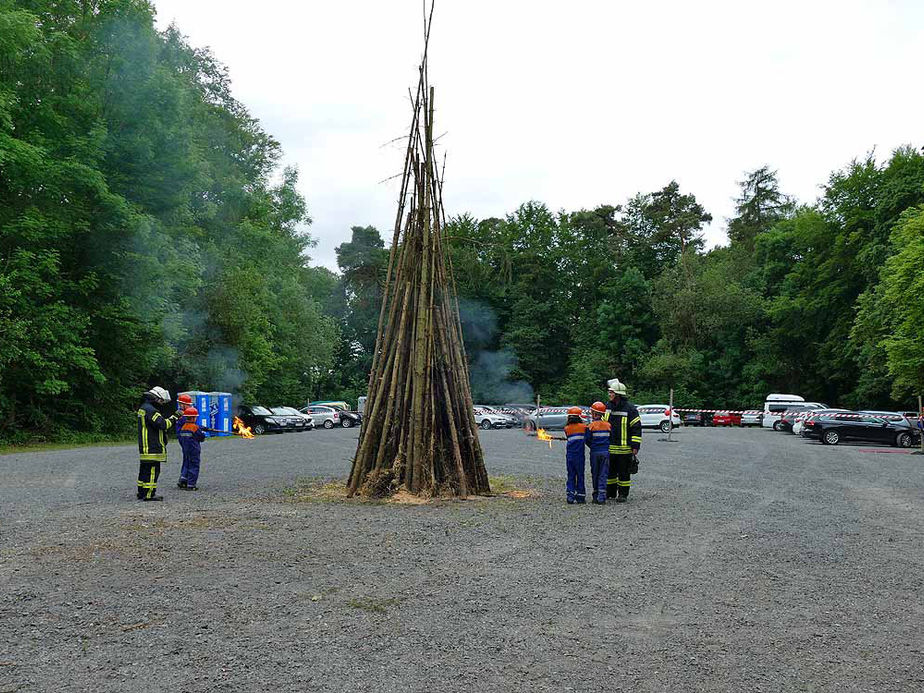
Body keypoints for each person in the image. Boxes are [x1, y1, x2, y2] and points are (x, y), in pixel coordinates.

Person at [137, 386, 181, 501]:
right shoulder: (151, 410)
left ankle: (141, 492)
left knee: (144, 470)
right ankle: (149, 494)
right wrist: (175, 417)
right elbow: (163, 424)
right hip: (152, 446)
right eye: (161, 401)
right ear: (155, 398)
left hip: (145, 445)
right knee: (152, 470)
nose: (161, 403)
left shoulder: (144, 408)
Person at [602, 378, 642, 503]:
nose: (609, 394)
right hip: (610, 447)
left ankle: (623, 494)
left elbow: (636, 428)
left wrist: (635, 446)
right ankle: (611, 492)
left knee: (624, 474)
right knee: (610, 473)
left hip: (625, 449)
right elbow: (602, 424)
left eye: (611, 392)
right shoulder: (607, 407)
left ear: (618, 394)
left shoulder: (630, 409)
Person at [585, 401, 611, 504]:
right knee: (603, 474)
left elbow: (587, 440)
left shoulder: (590, 426)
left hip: (595, 452)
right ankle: (602, 496)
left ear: (594, 413)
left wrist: (593, 447)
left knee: (595, 473)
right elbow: (611, 438)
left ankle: (595, 495)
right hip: (605, 452)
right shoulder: (608, 425)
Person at [177, 406, 206, 491]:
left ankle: (183, 480)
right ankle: (191, 484)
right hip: (194, 450)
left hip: (186, 450)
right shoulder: (194, 427)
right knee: (194, 466)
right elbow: (201, 437)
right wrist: (202, 433)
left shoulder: (183, 427)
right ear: (193, 418)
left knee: (187, 464)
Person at [563, 406, 587, 504]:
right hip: (580, 456)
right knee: (580, 475)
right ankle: (580, 497)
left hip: (570, 456)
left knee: (571, 475)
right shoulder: (584, 427)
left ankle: (570, 496)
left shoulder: (567, 428)